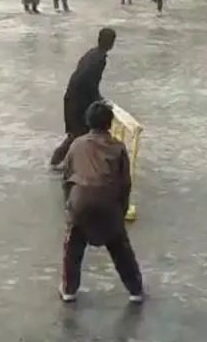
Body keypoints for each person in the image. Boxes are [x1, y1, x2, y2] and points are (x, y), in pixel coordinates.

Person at [60, 101, 145, 304]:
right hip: (109, 204)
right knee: (120, 249)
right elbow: (125, 183)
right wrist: (121, 212)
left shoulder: (77, 145)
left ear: (88, 121)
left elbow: (66, 179)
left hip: (80, 203)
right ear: (109, 124)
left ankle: (69, 290)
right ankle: (135, 290)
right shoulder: (118, 148)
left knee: (73, 247)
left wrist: (70, 208)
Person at [50, 28, 116, 168]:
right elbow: (89, 82)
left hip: (73, 99)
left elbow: (85, 81)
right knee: (77, 135)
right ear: (112, 43)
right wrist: (98, 100)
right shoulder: (99, 59)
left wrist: (97, 99)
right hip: (77, 103)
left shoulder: (92, 54)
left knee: (78, 135)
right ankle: (59, 164)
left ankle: (65, 164)